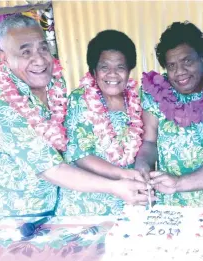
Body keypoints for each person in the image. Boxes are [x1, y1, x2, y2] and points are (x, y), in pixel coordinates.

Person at [0, 15, 149, 234]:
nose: (40, 60)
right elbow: (52, 168)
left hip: (48, 201)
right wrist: (117, 186)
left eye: (43, 48)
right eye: (25, 52)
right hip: (4, 205)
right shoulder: (1, 105)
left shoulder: (52, 81)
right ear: (3, 57)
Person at [134, 21, 203, 261]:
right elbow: (149, 142)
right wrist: (142, 164)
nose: (180, 71)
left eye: (187, 61)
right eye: (171, 65)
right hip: (172, 209)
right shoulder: (155, 95)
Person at [55, 30, 148, 216]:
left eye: (120, 67)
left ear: (129, 70)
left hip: (128, 200)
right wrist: (122, 175)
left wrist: (139, 175)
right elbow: (79, 154)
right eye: (104, 67)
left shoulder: (138, 100)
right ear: (94, 70)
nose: (112, 74)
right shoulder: (80, 99)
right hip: (87, 204)